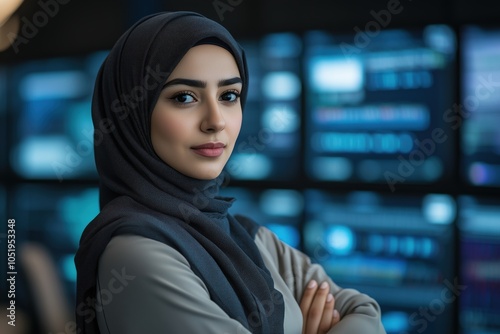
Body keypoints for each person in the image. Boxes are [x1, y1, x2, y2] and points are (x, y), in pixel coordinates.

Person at [74, 11, 386, 334]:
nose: (216, 120)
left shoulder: (248, 237)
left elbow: (365, 311)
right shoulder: (134, 254)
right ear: (131, 112)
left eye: (229, 96)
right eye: (184, 97)